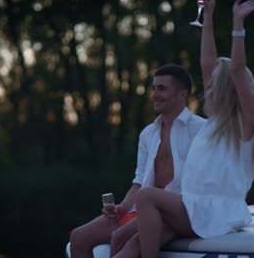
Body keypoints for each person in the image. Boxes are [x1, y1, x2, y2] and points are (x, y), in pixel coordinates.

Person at [131, 0, 254, 257]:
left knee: (147, 196)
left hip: (215, 213)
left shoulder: (244, 125)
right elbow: (207, 62)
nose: (207, 87)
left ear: (228, 89)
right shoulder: (214, 124)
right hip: (195, 208)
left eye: (214, 83)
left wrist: (237, 24)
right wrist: (207, 16)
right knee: (127, 244)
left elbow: (238, 70)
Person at [67, 64, 206, 258]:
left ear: (182, 95)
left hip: (173, 214)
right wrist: (122, 207)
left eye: (162, 88)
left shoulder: (201, 131)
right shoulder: (148, 134)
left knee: (119, 237)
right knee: (79, 237)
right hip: (140, 209)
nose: (155, 94)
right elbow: (139, 182)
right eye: (153, 88)